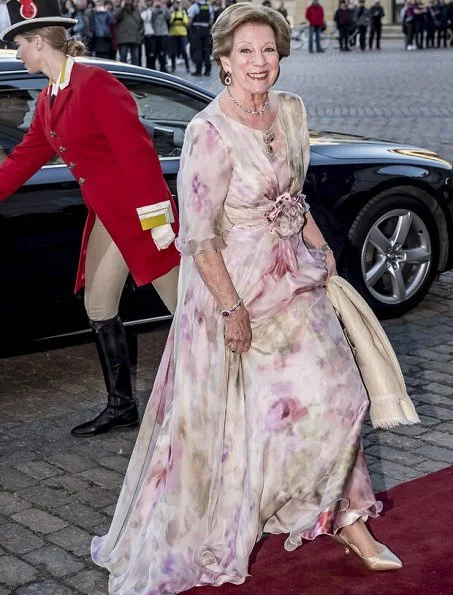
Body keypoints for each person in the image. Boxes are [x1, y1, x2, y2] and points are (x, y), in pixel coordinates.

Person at [91, 4, 403, 593]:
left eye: (269, 50)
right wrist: (231, 310)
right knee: (255, 418)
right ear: (224, 61)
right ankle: (273, 510)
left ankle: (349, 517)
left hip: (299, 281)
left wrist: (318, 243)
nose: (259, 62)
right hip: (240, 290)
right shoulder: (208, 131)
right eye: (245, 52)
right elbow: (200, 236)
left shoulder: (289, 111)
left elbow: (294, 190)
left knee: (339, 397)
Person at [0, 0, 180, 438]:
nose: (18, 54)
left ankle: (233, 390)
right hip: (108, 220)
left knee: (192, 310)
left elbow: (136, 152)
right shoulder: (50, 98)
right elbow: (23, 160)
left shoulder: (94, 83)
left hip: (141, 218)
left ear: (39, 42)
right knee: (99, 304)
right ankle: (122, 406)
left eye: (20, 45)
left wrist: (158, 221)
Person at [187, 0, 213, 76]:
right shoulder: (209, 7)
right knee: (206, 51)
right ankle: (207, 71)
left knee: (198, 51)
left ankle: (198, 71)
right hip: (206, 30)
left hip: (197, 30)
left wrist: (189, 28)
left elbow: (190, 21)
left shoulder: (194, 7)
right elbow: (211, 19)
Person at [116, 0, 144, 66]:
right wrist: (122, 8)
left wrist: (140, 35)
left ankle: (135, 73)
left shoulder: (136, 11)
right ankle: (123, 72)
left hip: (135, 38)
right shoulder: (120, 9)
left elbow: (141, 23)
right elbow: (116, 17)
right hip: (123, 38)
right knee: (123, 57)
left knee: (135, 58)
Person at [150, 0, 171, 72]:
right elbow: (151, 17)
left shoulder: (164, 8)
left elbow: (168, 17)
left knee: (163, 52)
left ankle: (163, 66)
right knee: (154, 51)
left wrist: (164, 8)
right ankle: (152, 67)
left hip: (163, 33)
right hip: (154, 33)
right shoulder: (151, 9)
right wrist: (154, 8)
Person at [169, 0, 189, 73]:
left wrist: (179, 13)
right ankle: (173, 67)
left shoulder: (183, 12)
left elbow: (186, 22)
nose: (176, 5)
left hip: (182, 34)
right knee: (173, 52)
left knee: (184, 51)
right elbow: (170, 21)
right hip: (173, 34)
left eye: (178, 3)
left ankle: (187, 67)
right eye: (175, 4)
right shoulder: (171, 12)